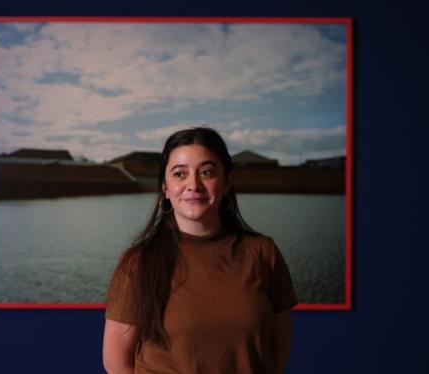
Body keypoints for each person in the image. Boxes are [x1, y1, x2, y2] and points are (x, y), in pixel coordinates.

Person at [103, 126, 298, 374]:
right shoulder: (138, 262)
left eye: (206, 172)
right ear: (164, 187)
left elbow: (278, 348)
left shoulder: (262, 252)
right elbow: (116, 363)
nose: (193, 184)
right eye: (179, 174)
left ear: (227, 182)